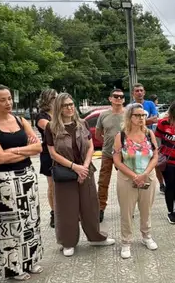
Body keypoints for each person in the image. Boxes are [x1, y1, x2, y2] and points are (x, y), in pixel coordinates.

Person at [0, 84, 44, 279]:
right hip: (4, 181)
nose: (8, 103)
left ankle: (31, 260)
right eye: (2, 100)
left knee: (30, 220)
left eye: (9, 99)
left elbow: (38, 147)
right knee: (10, 225)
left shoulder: (20, 120)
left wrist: (14, 151)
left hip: (26, 176)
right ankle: (14, 267)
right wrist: (24, 150)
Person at [45, 93, 115, 257]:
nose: (69, 108)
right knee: (66, 209)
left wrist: (84, 166)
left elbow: (91, 147)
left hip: (85, 171)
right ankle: (68, 242)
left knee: (90, 206)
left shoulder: (82, 123)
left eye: (71, 104)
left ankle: (96, 237)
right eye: (65, 105)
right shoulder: (51, 127)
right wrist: (74, 167)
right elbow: (53, 153)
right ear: (58, 108)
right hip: (65, 172)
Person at [113, 103, 159, 259]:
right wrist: (134, 176)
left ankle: (146, 236)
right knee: (127, 212)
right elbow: (117, 161)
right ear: (129, 117)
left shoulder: (149, 134)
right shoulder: (121, 136)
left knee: (146, 209)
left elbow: (155, 156)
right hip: (127, 180)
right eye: (137, 115)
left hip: (148, 178)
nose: (141, 118)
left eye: (143, 115)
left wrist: (145, 174)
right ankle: (126, 242)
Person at [96, 88, 126, 223]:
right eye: (116, 96)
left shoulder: (128, 114)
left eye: (121, 97)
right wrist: (109, 143)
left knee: (126, 182)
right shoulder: (103, 115)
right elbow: (98, 134)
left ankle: (127, 208)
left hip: (125, 155)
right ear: (110, 98)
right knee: (103, 182)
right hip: (107, 153)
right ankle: (100, 208)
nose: (118, 99)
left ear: (124, 99)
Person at [34, 89, 58, 228]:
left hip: (63, 151)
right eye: (54, 98)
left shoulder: (60, 113)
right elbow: (51, 128)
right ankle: (54, 212)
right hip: (48, 154)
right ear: (47, 100)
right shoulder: (41, 116)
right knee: (52, 185)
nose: (56, 100)